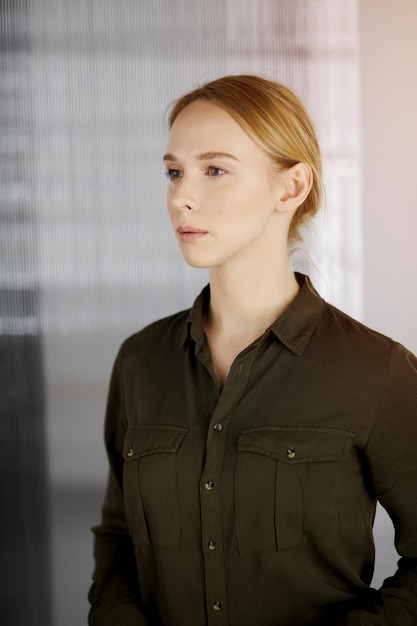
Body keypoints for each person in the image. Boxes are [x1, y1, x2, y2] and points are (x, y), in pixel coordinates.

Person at [88, 75, 417, 626]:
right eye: (174, 172)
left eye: (214, 170)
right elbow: (118, 537)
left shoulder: (377, 372)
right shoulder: (140, 361)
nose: (180, 196)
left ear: (291, 188)